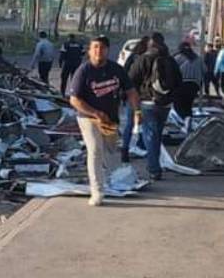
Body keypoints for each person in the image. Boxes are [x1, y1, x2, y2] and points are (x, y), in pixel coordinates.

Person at [67, 36, 140, 206]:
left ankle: (107, 179)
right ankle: (97, 192)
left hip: (110, 120)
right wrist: (95, 113)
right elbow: (74, 100)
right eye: (95, 47)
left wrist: (137, 110)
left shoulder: (116, 70)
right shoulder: (84, 71)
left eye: (102, 48)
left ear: (107, 50)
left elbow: (131, 91)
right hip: (88, 117)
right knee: (94, 151)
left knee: (109, 152)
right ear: (89, 50)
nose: (98, 51)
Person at [129, 32, 181, 180]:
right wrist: (170, 97)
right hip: (165, 105)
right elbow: (179, 81)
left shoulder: (143, 59)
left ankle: (154, 168)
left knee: (150, 136)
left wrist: (134, 100)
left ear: (150, 44)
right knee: (157, 135)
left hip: (147, 103)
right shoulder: (170, 60)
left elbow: (131, 80)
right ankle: (155, 164)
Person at [119, 35, 149, 163]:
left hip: (130, 95)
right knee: (145, 123)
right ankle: (142, 146)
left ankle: (125, 149)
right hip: (142, 96)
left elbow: (123, 75)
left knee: (130, 124)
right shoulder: (146, 60)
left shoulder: (131, 58)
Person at [172, 41, 205, 121]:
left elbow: (171, 71)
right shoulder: (198, 58)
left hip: (181, 85)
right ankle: (188, 121)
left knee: (178, 105)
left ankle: (183, 122)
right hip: (194, 85)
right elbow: (204, 70)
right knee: (188, 105)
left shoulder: (177, 58)